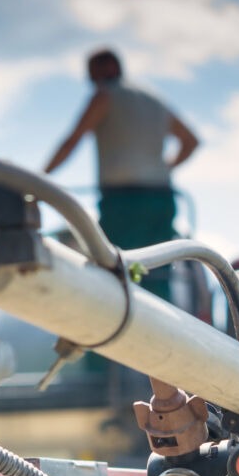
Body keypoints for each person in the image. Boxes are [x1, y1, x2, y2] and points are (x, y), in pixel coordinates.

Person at [44, 48, 199, 301]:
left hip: (124, 204)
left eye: (92, 73)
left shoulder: (105, 96)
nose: (91, 80)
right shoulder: (154, 99)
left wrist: (41, 177)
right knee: (156, 273)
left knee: (116, 274)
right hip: (161, 199)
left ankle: (118, 335)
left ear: (105, 69)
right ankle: (160, 334)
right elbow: (190, 141)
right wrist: (164, 168)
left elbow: (71, 141)